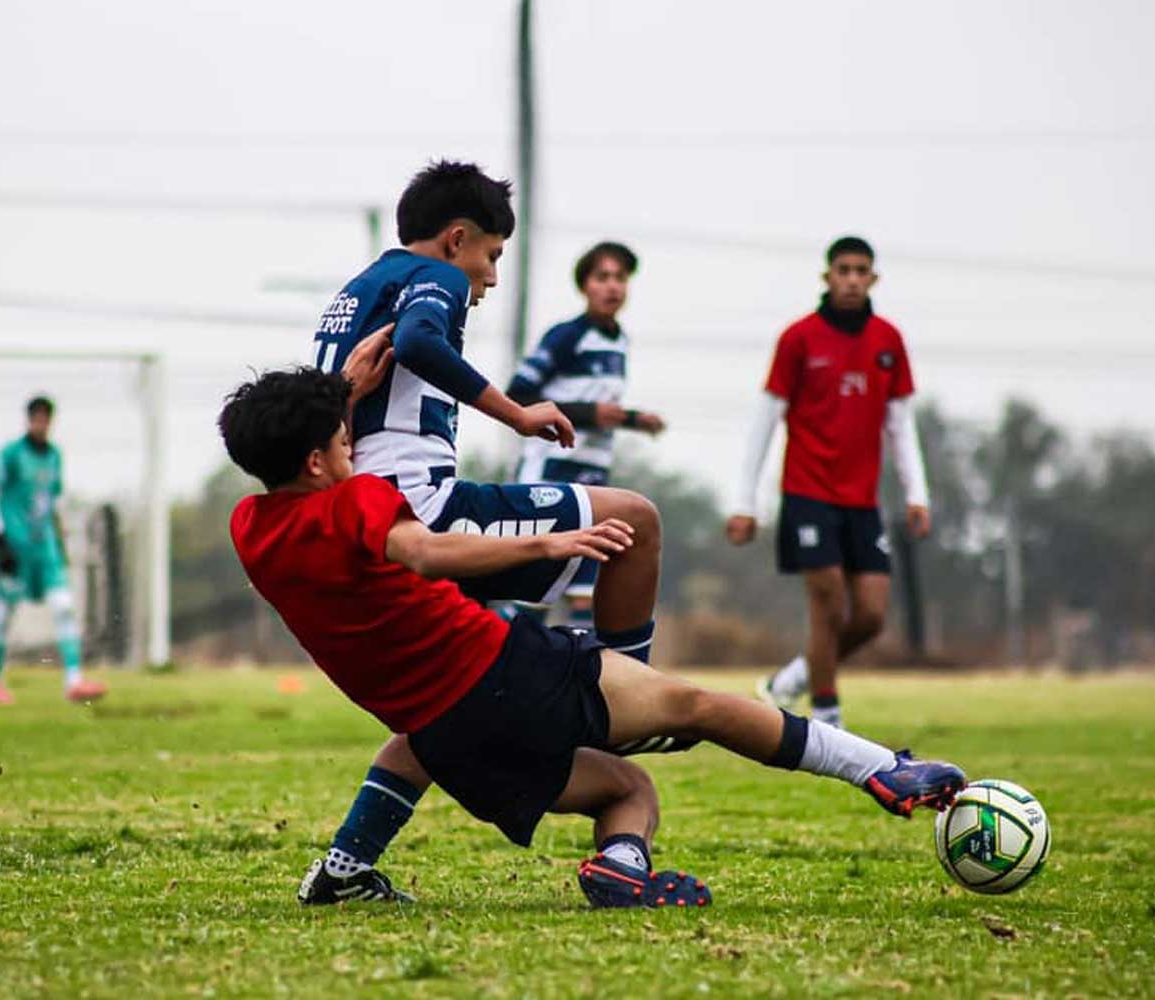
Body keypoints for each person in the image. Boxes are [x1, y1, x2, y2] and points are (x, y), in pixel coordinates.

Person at [220, 366, 967, 909]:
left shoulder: (250, 530)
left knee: (625, 788)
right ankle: (879, 769)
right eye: (344, 440)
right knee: (694, 705)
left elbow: (306, 474)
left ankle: (356, 869)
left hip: (443, 729)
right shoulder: (359, 500)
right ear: (319, 460)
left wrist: (336, 393)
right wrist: (549, 545)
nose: (355, 448)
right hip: (504, 672)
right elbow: (427, 550)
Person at [300, 162, 686, 904]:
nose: (492, 276)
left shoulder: (351, 293)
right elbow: (418, 343)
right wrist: (517, 412)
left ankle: (345, 870)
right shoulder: (435, 277)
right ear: (457, 239)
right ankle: (626, 702)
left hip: (365, 514)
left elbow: (330, 402)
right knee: (634, 519)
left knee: (452, 700)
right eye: (493, 256)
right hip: (422, 509)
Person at [727, 237, 930, 729]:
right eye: (844, 269)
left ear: (874, 279)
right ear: (827, 276)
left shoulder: (888, 341)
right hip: (807, 493)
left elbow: (900, 424)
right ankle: (826, 713)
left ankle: (794, 678)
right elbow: (764, 419)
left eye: (862, 270)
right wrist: (744, 502)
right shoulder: (798, 338)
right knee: (828, 601)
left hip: (862, 500)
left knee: (872, 616)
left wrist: (917, 494)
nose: (852, 279)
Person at [506, 241, 666, 627]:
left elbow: (599, 408)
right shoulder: (565, 336)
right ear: (585, 286)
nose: (612, 286)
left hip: (593, 475)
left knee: (585, 587)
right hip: (550, 473)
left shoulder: (620, 341)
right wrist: (589, 413)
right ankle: (503, 664)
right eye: (602, 277)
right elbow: (519, 394)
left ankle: (581, 679)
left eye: (620, 278)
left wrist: (632, 419)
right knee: (535, 584)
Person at [0, 396, 105, 705]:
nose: (41, 424)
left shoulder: (54, 457)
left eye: (45, 419)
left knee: (64, 606)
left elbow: (54, 503)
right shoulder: (11, 455)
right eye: (36, 418)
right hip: (14, 546)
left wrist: (61, 542)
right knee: (4, 613)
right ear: (28, 420)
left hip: (45, 547)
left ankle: (74, 680)